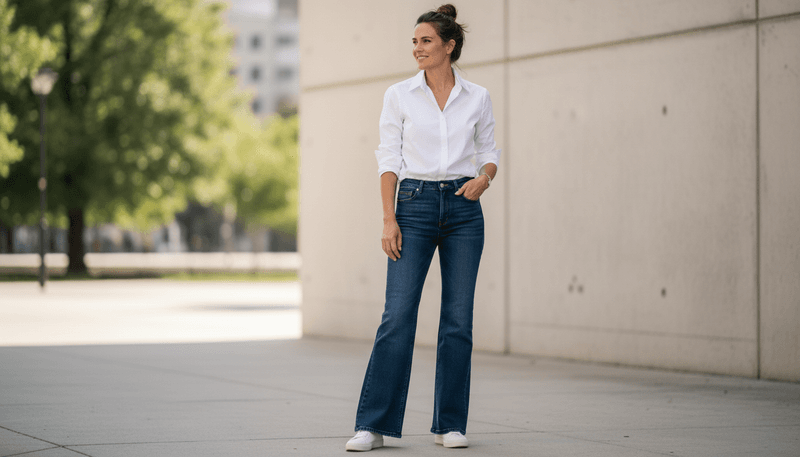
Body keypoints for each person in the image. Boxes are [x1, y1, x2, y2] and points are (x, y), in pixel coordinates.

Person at [345, 3, 500, 452]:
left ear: (449, 47)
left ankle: (449, 423)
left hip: (463, 210)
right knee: (397, 317)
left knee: (457, 321)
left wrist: (484, 179)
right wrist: (388, 217)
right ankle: (372, 425)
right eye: (414, 41)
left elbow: (489, 150)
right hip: (411, 206)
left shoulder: (478, 96)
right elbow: (388, 158)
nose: (417, 48)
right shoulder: (399, 95)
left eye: (426, 41)